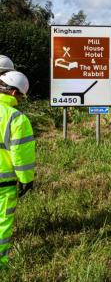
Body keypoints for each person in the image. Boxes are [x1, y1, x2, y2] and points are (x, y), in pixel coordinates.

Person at [0, 71, 35, 267]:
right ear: (14, 93)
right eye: (21, 95)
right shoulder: (16, 119)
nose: (21, 100)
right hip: (3, 184)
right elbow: (21, 157)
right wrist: (26, 179)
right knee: (2, 223)